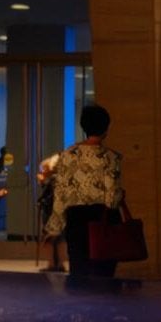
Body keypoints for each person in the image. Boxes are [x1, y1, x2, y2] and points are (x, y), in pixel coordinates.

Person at [45, 103, 125, 284]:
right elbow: (112, 198)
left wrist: (55, 226)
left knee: (79, 274)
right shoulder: (111, 158)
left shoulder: (67, 155)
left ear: (84, 127)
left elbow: (61, 193)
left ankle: (79, 312)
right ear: (106, 128)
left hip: (76, 220)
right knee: (104, 276)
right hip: (103, 219)